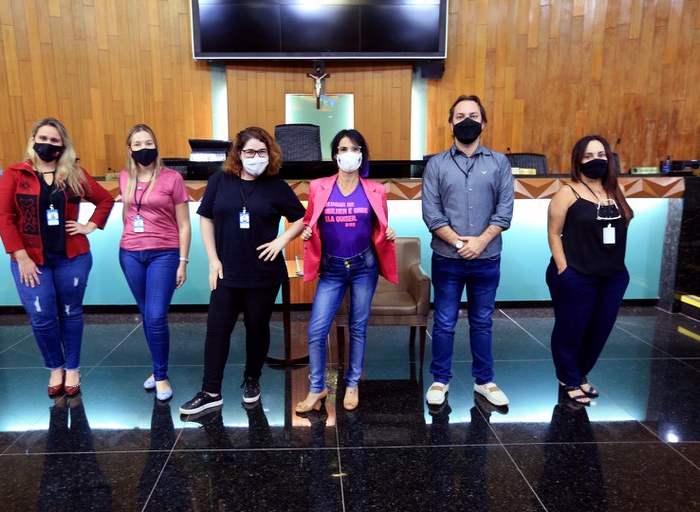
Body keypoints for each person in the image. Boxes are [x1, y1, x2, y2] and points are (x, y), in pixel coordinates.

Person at [179, 127, 305, 415]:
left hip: (263, 273)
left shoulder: (276, 186)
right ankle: (210, 391)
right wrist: (213, 260)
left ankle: (252, 380)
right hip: (226, 270)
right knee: (217, 329)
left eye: (262, 151)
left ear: (270, 154)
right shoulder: (219, 181)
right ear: (238, 153)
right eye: (250, 151)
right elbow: (206, 219)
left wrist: (282, 241)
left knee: (257, 328)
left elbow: (302, 218)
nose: (256, 157)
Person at [0, 118, 114, 397]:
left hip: (72, 258)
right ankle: (55, 367)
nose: (48, 145)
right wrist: (21, 256)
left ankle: (72, 368)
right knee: (41, 316)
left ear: (63, 145)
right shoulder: (15, 174)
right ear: (33, 140)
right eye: (43, 139)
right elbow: (3, 216)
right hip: (31, 260)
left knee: (71, 313)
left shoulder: (74, 174)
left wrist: (89, 226)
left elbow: (105, 200)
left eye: (54, 140)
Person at [421, 95, 514, 407]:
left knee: (483, 322)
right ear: (450, 124)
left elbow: (504, 212)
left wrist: (480, 242)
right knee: (444, 322)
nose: (467, 121)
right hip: (447, 259)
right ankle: (440, 380)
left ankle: (484, 381)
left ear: (483, 123)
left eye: (473, 115)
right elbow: (432, 214)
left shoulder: (499, 163)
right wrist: (461, 244)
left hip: (487, 258)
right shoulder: (436, 164)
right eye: (460, 116)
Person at [295, 129, 397, 413]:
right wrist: (307, 232)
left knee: (358, 327)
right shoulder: (319, 186)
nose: (348, 154)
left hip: (364, 266)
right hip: (332, 268)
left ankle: (352, 383)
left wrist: (388, 233)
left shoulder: (376, 190)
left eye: (354, 148)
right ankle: (317, 387)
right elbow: (310, 221)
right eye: (342, 149)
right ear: (335, 155)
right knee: (317, 330)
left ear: (362, 154)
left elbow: (379, 226)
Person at [546, 135, 633, 405]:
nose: (596, 160)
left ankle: (580, 373)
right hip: (575, 274)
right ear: (578, 161)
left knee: (599, 331)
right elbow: (554, 233)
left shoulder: (616, 190)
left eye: (601, 155)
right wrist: (563, 268)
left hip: (612, 276)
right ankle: (568, 378)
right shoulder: (567, 192)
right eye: (588, 156)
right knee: (571, 329)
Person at [118, 124, 190, 401]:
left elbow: (184, 225)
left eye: (148, 142)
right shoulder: (125, 177)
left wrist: (182, 261)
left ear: (156, 146)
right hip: (130, 254)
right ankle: (158, 369)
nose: (143, 148)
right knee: (147, 315)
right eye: (137, 144)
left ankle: (161, 376)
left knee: (157, 315)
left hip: (164, 254)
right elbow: (128, 214)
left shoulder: (172, 178)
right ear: (129, 149)